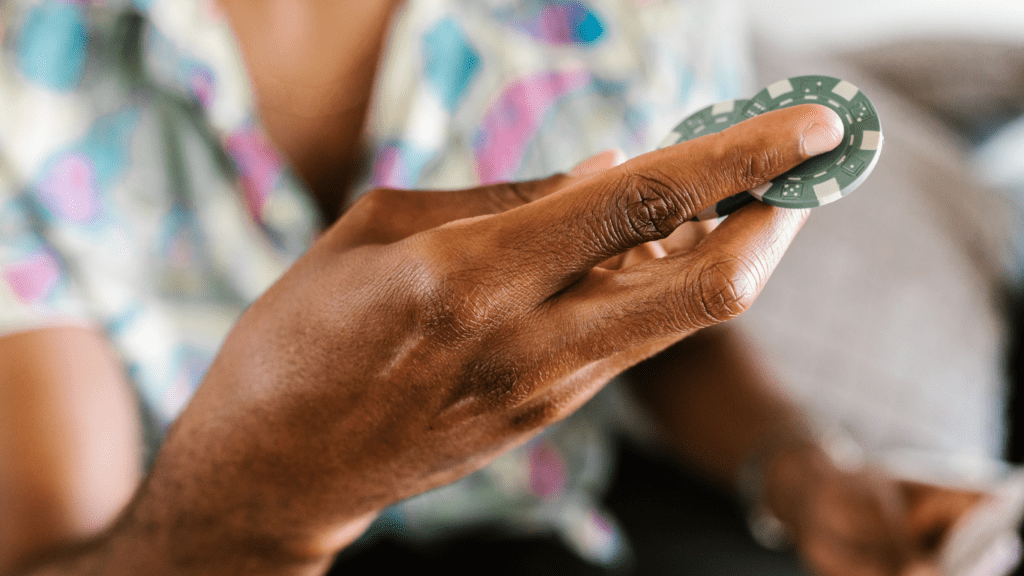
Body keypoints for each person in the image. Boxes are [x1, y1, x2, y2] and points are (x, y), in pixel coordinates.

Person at [0, 1, 988, 575]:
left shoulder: (640, 19)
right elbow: (61, 535)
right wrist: (258, 513)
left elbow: (647, 312)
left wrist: (798, 472)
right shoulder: (26, 73)